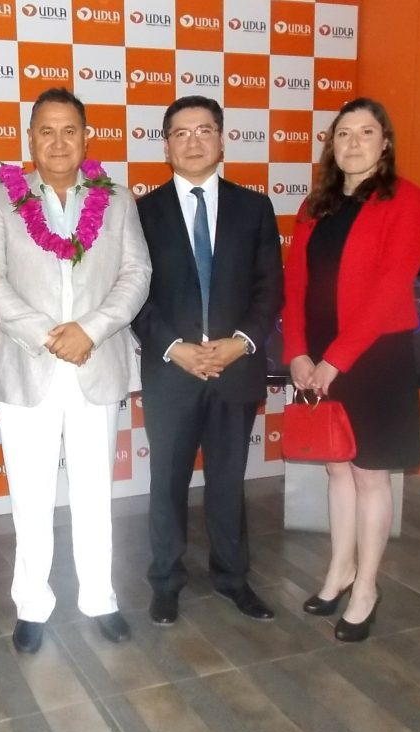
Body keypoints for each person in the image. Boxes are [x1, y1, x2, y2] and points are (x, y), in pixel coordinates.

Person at [0, 88, 151, 654]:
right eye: (45, 131)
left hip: (96, 360)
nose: (57, 142)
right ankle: (32, 604)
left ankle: (100, 598)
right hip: (29, 363)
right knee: (30, 495)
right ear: (30, 139)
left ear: (86, 138)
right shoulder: (1, 199)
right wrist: (48, 334)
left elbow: (137, 274)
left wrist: (90, 329)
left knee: (96, 492)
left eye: (69, 130)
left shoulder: (117, 200)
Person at [282, 97, 420, 642]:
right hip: (318, 356)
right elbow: (295, 282)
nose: (353, 142)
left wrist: (335, 360)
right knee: (336, 467)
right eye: (343, 133)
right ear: (331, 143)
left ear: (384, 143)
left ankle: (366, 587)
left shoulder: (407, 200)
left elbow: (390, 288)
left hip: (374, 358)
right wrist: (298, 351)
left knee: (369, 473)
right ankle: (338, 571)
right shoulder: (314, 204)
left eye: (366, 132)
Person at [132, 96, 283, 625]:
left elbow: (270, 288)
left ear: (221, 140)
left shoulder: (254, 208)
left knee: (228, 481)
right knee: (167, 482)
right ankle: (165, 581)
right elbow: (132, 295)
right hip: (171, 370)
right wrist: (175, 348)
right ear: (166, 146)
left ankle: (233, 578)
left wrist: (241, 342)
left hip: (235, 368)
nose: (193, 141)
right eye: (180, 133)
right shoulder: (140, 212)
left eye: (204, 130)